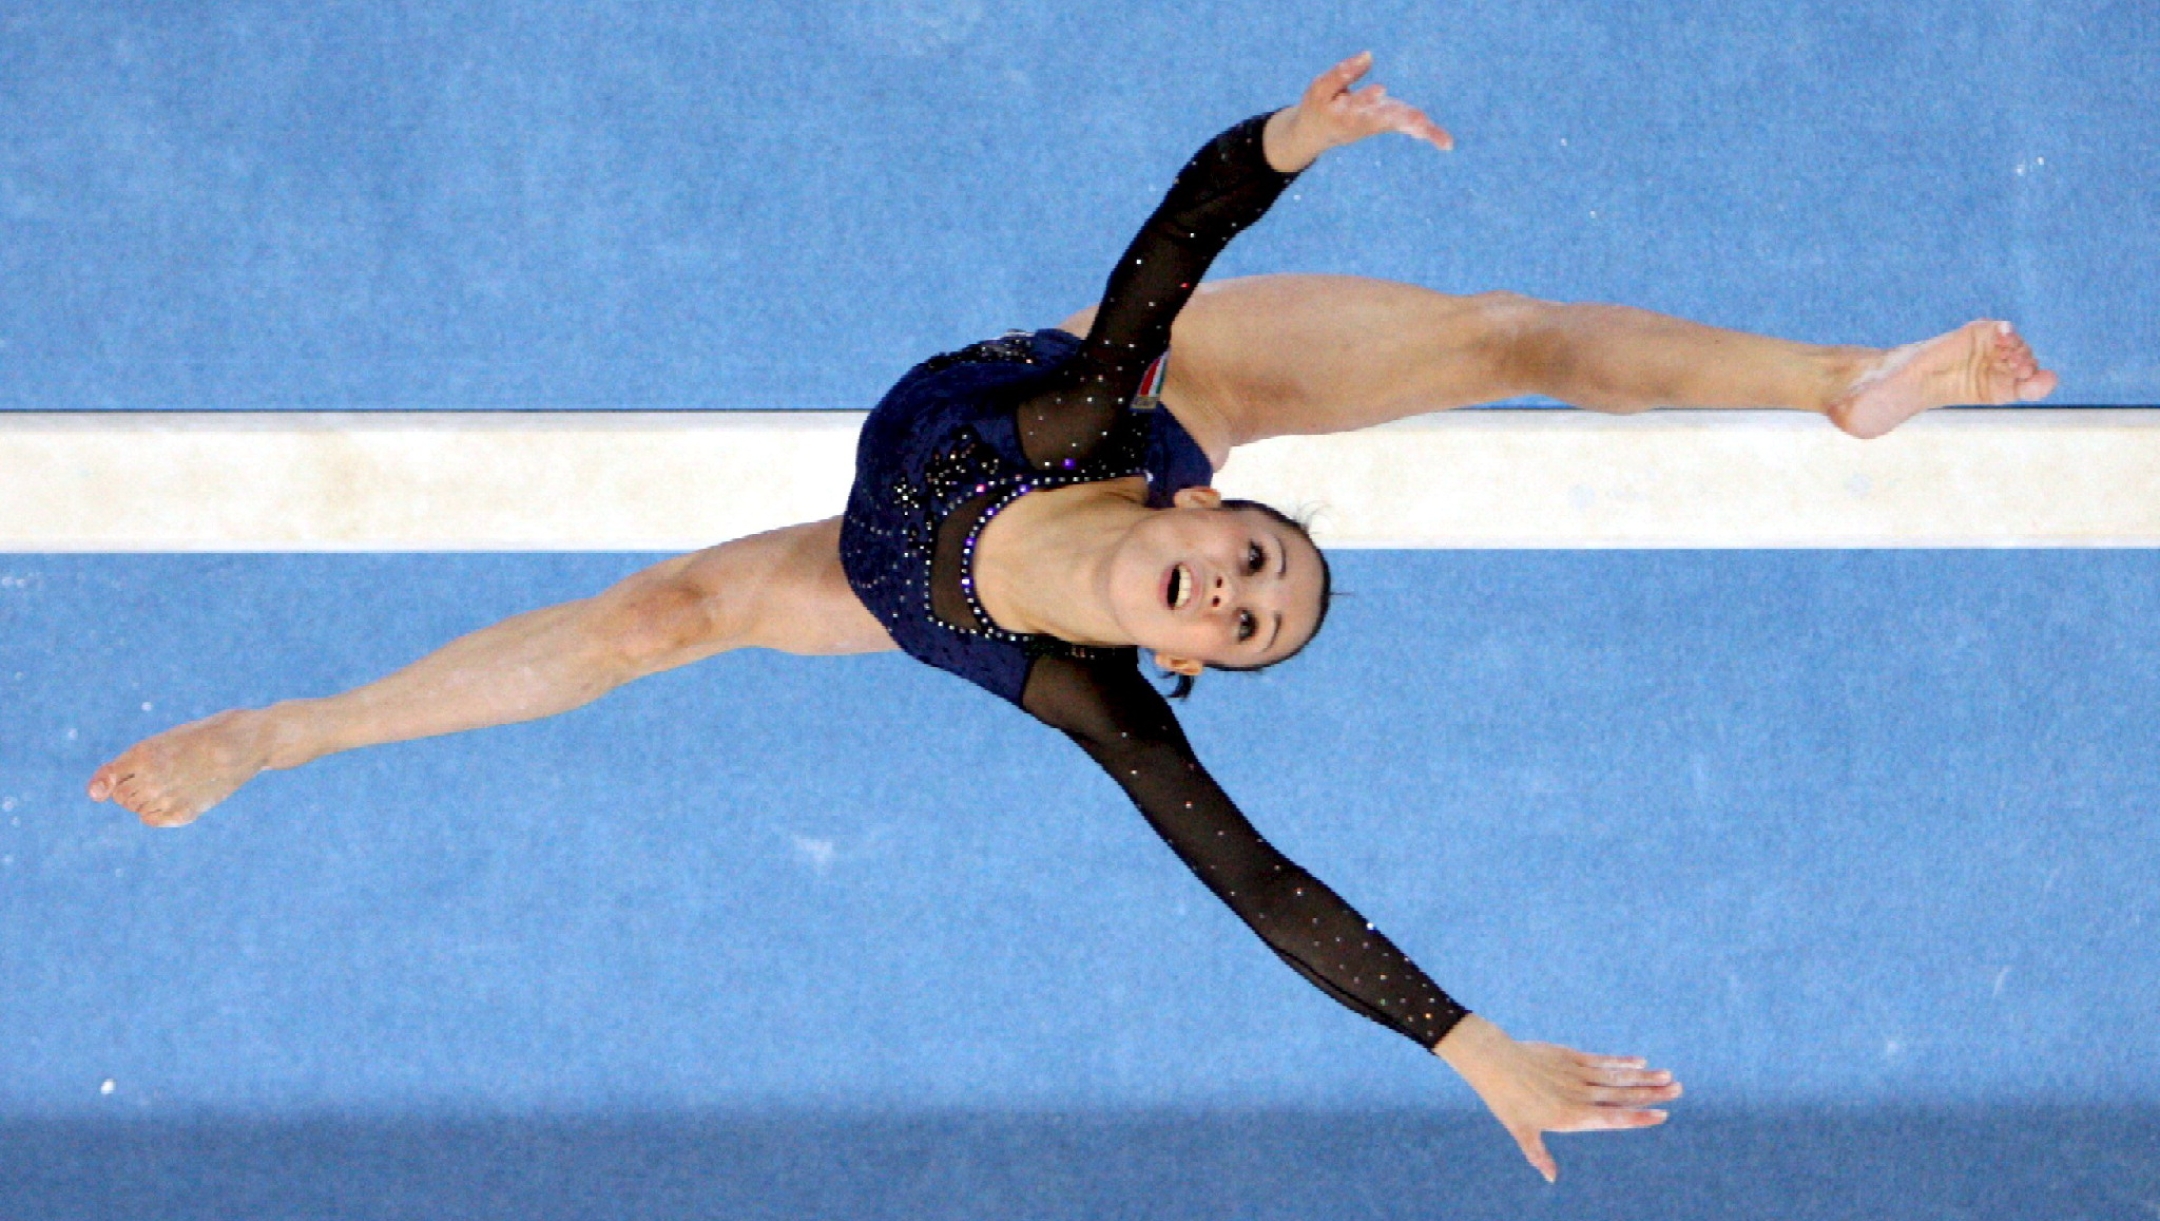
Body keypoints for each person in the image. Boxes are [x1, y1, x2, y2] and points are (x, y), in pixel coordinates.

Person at [83, 52, 2056, 1182]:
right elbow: (1162, 259)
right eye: (1262, 555)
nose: (1241, 582)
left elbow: (1260, 876)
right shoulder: (1114, 420)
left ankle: (283, 730)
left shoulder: (1087, 699)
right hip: (1131, 386)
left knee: (665, 616)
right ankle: (1832, 378)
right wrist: (1279, 146)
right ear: (1207, 508)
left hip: (887, 571)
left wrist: (1469, 1043)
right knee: (1501, 338)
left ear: (1185, 658)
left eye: (1250, 621)